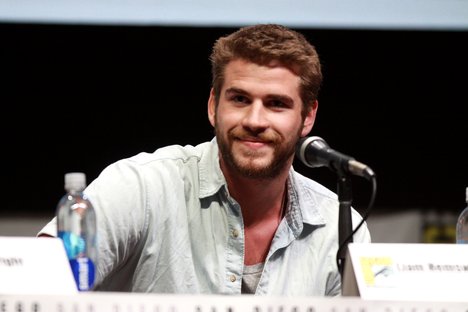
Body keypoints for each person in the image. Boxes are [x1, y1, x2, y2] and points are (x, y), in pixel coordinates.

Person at [38, 24, 371, 296]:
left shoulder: (338, 225)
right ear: (214, 105)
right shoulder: (142, 186)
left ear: (308, 117)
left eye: (276, 104)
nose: (255, 120)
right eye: (239, 99)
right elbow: (31, 282)